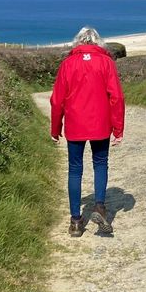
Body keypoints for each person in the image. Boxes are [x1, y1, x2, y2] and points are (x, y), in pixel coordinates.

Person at [50, 26, 125, 237]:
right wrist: (118, 128)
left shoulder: (67, 64)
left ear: (78, 42)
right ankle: (100, 207)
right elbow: (117, 97)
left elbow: (57, 100)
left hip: (75, 124)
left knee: (75, 170)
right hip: (101, 124)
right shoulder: (106, 62)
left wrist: (56, 128)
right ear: (97, 43)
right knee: (100, 164)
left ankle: (75, 221)